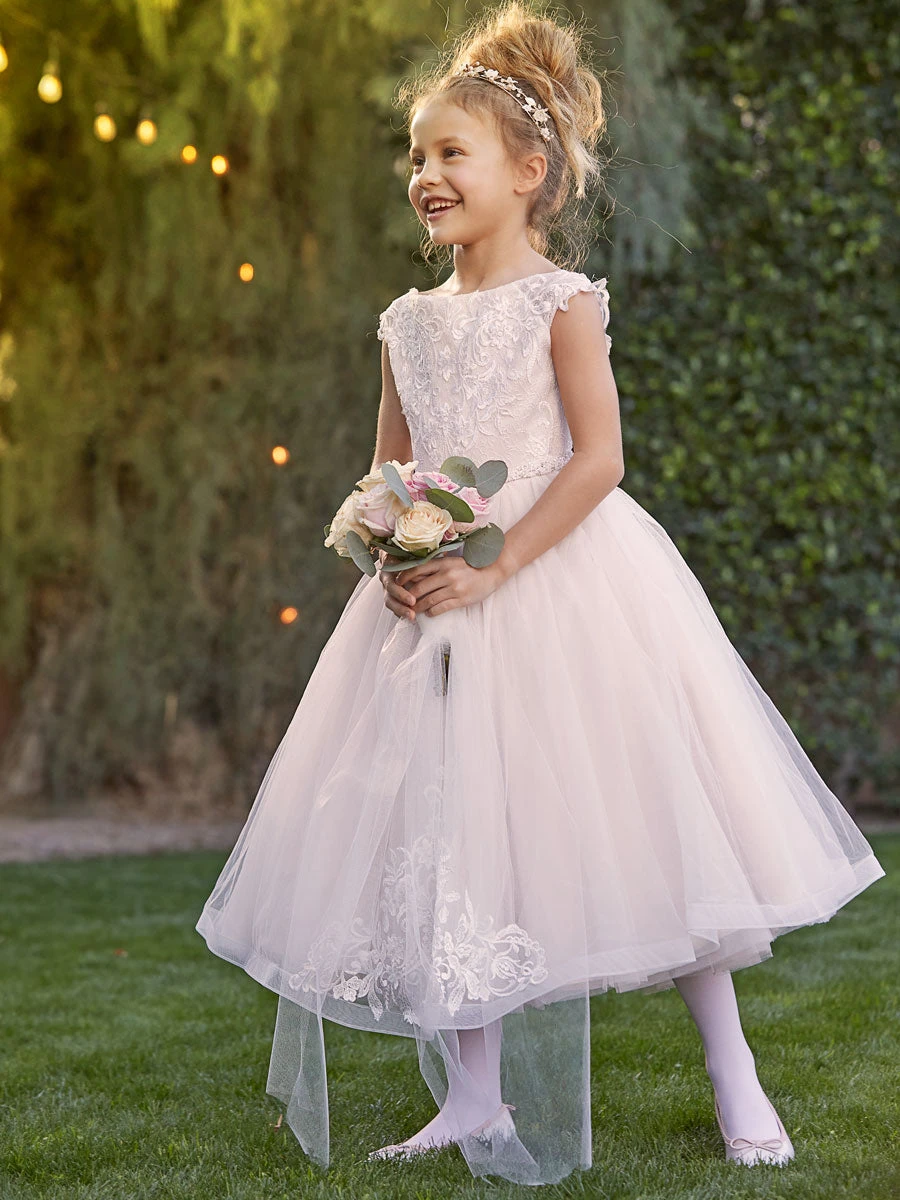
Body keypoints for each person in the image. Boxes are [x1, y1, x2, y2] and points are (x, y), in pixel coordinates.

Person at [194, 1, 886, 1186]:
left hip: (560, 584)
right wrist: (389, 545)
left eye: (451, 152)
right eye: (418, 154)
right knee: (457, 827)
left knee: (646, 815)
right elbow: (391, 465)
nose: (426, 174)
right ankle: (473, 1093)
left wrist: (496, 561)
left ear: (529, 173)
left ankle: (735, 1072)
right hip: (439, 606)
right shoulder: (407, 323)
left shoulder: (561, 303)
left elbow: (599, 460)